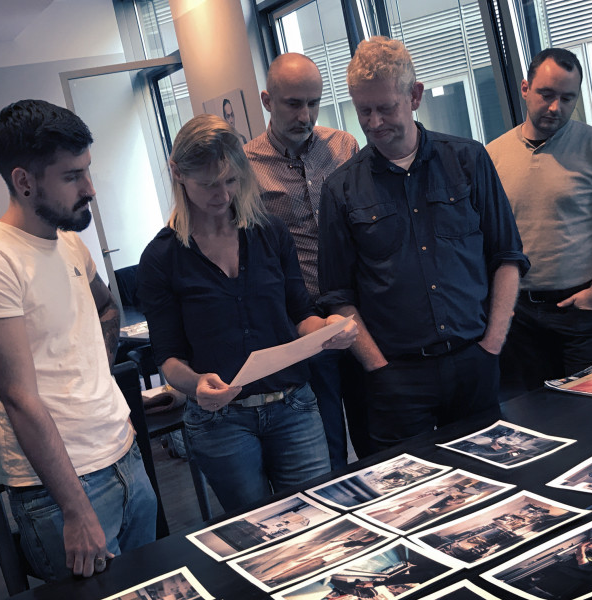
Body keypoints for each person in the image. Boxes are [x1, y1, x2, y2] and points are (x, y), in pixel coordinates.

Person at [0, 99, 157, 582]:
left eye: (88, 170)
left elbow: (107, 307)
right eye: (72, 176)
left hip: (123, 455)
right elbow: (20, 401)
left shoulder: (70, 243)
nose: (90, 188)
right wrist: (77, 511)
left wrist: (96, 371)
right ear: (24, 182)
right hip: (64, 490)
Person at [136, 114, 357, 513]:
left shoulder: (269, 232)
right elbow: (168, 358)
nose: (222, 195)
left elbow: (300, 313)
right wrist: (196, 384)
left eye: (231, 181)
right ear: (177, 174)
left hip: (294, 406)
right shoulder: (161, 258)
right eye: (207, 185)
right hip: (223, 423)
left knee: (319, 520)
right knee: (257, 534)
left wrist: (328, 329)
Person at [317, 36, 529, 451]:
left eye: (385, 108)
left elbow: (506, 257)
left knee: (492, 485)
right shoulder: (341, 189)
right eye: (364, 111)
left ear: (414, 96)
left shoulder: (469, 160)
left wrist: (492, 346)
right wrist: (378, 369)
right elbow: (337, 297)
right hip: (396, 378)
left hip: (474, 361)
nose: (374, 122)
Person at [485, 48, 592, 391]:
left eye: (568, 98)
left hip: (582, 310)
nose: (556, 107)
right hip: (519, 316)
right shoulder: (492, 155)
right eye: (547, 94)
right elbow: (484, 238)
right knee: (530, 426)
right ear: (525, 88)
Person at [244, 52, 371, 467]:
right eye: (293, 103)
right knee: (326, 431)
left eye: (313, 102)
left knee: (375, 416)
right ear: (267, 100)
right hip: (302, 315)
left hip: (356, 305)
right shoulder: (246, 166)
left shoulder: (344, 145)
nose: (306, 114)